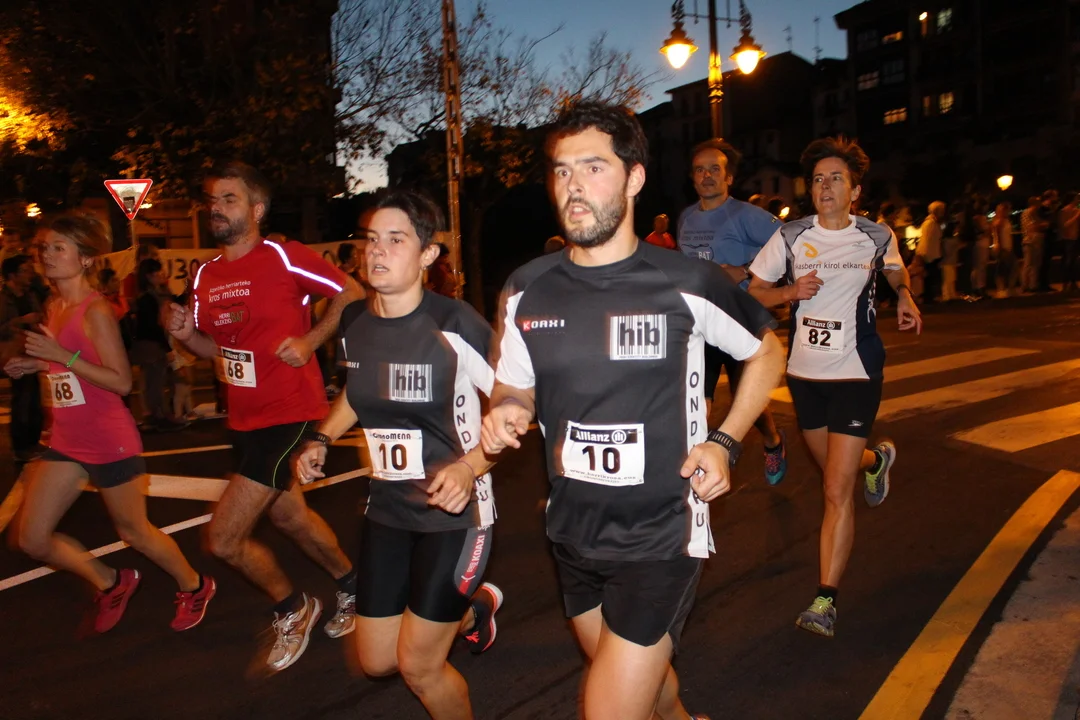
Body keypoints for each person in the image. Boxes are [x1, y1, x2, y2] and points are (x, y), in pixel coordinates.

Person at [481, 101, 784, 720]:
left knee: (609, 707)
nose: (573, 185)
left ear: (634, 177)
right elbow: (514, 386)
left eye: (593, 167)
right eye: (562, 170)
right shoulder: (525, 288)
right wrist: (507, 408)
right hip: (572, 532)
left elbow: (766, 351)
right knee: (637, 677)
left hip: (661, 535)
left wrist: (725, 441)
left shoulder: (687, 281)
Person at [296, 189, 503, 719]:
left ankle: (456, 615)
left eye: (395, 240)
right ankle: (473, 611)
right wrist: (321, 438)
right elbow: (358, 391)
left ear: (428, 254)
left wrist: (470, 467)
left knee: (419, 667)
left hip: (455, 514)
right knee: (378, 660)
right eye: (371, 240)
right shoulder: (355, 322)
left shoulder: (455, 324)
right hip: (387, 508)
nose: (377, 252)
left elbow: (515, 405)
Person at [164, 161, 362, 672]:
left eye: (229, 199)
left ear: (256, 209)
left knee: (223, 539)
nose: (216, 208)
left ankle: (293, 608)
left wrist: (311, 340)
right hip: (244, 419)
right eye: (212, 199)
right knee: (290, 517)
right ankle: (353, 585)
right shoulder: (205, 274)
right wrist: (185, 334)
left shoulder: (283, 255)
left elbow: (351, 293)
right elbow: (213, 348)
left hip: (292, 412)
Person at [5, 213, 216, 633]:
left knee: (135, 532)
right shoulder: (55, 307)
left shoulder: (95, 310)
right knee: (32, 538)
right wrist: (37, 364)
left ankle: (195, 585)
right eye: (45, 248)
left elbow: (120, 381)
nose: (47, 255)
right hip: (67, 440)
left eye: (59, 248)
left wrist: (59, 355)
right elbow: (72, 367)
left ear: (85, 259)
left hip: (108, 441)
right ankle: (111, 581)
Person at [747, 137, 923, 637]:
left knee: (834, 490)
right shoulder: (790, 236)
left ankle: (825, 600)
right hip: (806, 377)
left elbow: (896, 269)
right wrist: (789, 291)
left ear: (855, 190)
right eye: (819, 179)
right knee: (835, 470)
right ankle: (876, 461)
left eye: (836, 178)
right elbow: (755, 290)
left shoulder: (875, 235)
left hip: (855, 372)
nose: (825, 186)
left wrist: (904, 295)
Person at [677, 138, 788, 486]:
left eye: (715, 169)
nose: (707, 175)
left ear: (728, 178)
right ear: (693, 177)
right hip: (700, 324)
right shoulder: (686, 218)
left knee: (748, 400)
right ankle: (696, 466)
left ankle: (773, 441)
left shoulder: (746, 215)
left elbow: (790, 242)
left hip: (741, 320)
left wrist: (744, 271)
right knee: (698, 400)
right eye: (700, 170)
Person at [131, 258, 187, 430]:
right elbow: (152, 327)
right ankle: (157, 415)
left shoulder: (159, 294)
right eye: (158, 272)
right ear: (149, 276)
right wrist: (167, 348)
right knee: (154, 382)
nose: (162, 274)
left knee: (157, 381)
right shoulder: (147, 299)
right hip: (152, 346)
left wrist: (188, 291)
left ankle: (159, 414)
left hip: (155, 344)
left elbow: (175, 303)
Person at [1, 254, 45, 462]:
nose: (30, 275)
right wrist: (20, 321)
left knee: (34, 397)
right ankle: (20, 447)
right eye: (25, 271)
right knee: (22, 398)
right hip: (13, 354)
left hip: (32, 351)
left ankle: (32, 442)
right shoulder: (3, 299)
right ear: (12, 275)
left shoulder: (30, 295)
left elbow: (39, 317)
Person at [916, 201, 945, 302]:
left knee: (930, 276)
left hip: (931, 253)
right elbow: (927, 240)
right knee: (930, 276)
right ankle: (928, 297)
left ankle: (929, 296)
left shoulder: (932, 222)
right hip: (930, 254)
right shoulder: (930, 223)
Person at [1021, 195, 1048, 292]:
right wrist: (1042, 225)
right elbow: (1032, 227)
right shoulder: (1028, 213)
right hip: (1031, 241)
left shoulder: (1033, 213)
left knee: (1034, 264)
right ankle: (1026, 285)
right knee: (1029, 264)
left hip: (1033, 241)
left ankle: (1031, 285)